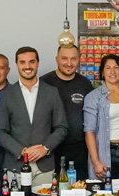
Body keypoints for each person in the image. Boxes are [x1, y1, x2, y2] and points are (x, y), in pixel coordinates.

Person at [0, 46, 68, 188]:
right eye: (22, 62)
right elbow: (0, 131)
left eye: (32, 62)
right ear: (16, 64)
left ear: (37, 63)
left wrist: (45, 148)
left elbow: (62, 127)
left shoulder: (52, 92)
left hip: (45, 167)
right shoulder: (7, 95)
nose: (27, 66)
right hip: (15, 167)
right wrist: (22, 151)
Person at [84, 53, 119, 185]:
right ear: (102, 72)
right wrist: (96, 162)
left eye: (116, 67)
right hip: (105, 152)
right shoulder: (93, 97)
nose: (112, 71)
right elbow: (89, 131)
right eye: (108, 68)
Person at [40, 43, 93, 178]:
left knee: (79, 192)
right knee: (52, 193)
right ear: (57, 59)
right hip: (51, 150)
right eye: (64, 58)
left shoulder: (86, 84)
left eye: (73, 59)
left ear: (79, 59)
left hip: (79, 150)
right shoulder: (44, 83)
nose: (69, 63)